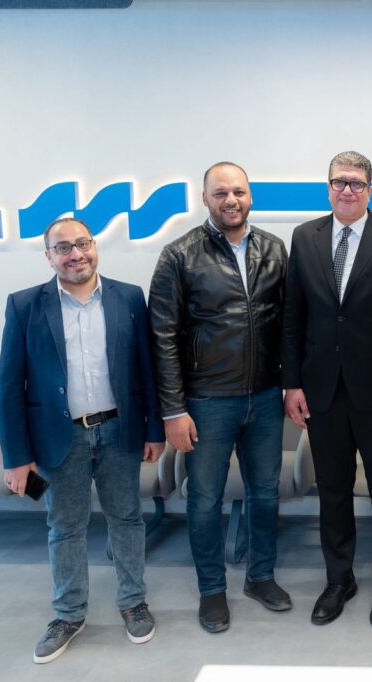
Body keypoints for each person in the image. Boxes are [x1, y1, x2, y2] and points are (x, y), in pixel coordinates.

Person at [0, 217, 165, 663]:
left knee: (127, 519)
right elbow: (10, 387)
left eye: (83, 243)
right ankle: (68, 615)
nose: (76, 254)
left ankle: (133, 602)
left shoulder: (129, 297)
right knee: (65, 527)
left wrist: (153, 428)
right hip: (59, 438)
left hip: (119, 431)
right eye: (64, 248)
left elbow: (146, 369)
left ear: (95, 247)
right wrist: (17, 457)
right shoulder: (24, 305)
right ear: (49, 256)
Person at [282, 150, 372, 630]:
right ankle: (338, 580)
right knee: (333, 491)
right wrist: (292, 383)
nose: (347, 189)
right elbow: (293, 317)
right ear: (328, 188)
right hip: (322, 392)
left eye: (357, 183)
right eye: (339, 181)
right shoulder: (304, 237)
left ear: (370, 190)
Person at [149, 162, 291, 634]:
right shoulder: (179, 254)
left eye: (239, 192)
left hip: (265, 397)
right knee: (205, 499)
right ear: (205, 199)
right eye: (221, 193)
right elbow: (162, 337)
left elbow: (288, 323)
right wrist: (173, 409)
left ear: (250, 196)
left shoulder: (273, 248)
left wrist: (291, 384)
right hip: (207, 401)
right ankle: (212, 589)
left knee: (265, 493)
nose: (231, 200)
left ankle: (261, 576)